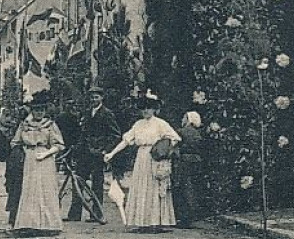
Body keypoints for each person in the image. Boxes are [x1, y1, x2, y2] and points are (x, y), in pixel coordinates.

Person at [104, 90, 181, 230]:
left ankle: (155, 223)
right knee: (141, 188)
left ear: (154, 109)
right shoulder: (138, 124)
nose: (146, 111)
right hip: (141, 158)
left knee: (154, 189)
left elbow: (175, 138)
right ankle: (142, 222)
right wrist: (112, 153)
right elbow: (126, 141)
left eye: (149, 108)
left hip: (155, 158)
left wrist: (163, 149)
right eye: (143, 108)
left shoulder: (160, 123)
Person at [11, 92, 64, 234]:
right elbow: (15, 142)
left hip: (45, 158)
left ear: (45, 111)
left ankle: (49, 224)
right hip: (30, 159)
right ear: (31, 110)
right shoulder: (25, 125)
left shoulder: (50, 125)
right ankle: (29, 224)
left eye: (41, 110)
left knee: (46, 189)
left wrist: (46, 153)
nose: (39, 113)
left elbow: (59, 145)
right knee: (30, 190)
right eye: (36, 110)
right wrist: (24, 150)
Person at [66, 86, 120, 223]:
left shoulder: (107, 113)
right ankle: (74, 214)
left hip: (97, 154)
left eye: (96, 97)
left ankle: (97, 214)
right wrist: (77, 148)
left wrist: (105, 149)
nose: (93, 99)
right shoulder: (86, 112)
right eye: (91, 97)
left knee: (97, 184)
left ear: (102, 98)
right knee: (78, 181)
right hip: (84, 153)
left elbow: (115, 135)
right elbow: (83, 133)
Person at [173, 110, 205, 227]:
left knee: (183, 187)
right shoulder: (198, 133)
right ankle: (192, 215)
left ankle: (184, 217)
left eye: (184, 118)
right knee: (192, 187)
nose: (182, 120)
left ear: (188, 120)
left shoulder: (181, 132)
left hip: (184, 161)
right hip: (196, 160)